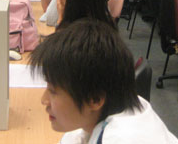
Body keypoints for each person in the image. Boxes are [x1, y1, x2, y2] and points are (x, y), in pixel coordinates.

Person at [29, 19, 178, 144]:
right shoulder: (119, 107)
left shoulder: (123, 138)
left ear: (94, 99)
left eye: (53, 91)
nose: (44, 100)